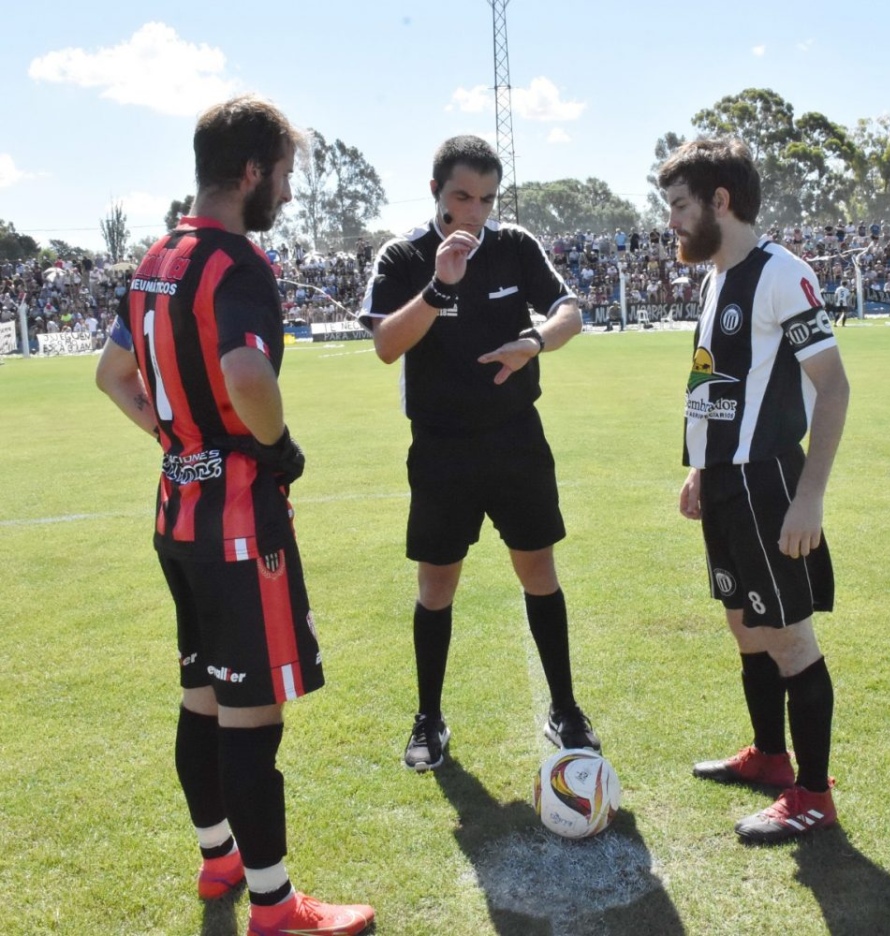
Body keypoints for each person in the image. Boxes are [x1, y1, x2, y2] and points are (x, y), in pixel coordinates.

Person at [95, 94, 374, 936]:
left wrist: (179, 440)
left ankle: (218, 857)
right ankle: (276, 905)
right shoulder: (236, 263)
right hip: (240, 523)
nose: (286, 193)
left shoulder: (153, 258)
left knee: (201, 698)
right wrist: (277, 446)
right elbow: (247, 372)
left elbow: (112, 376)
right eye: (284, 175)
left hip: (176, 513)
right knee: (253, 715)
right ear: (251, 172)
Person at [358, 134, 600, 772]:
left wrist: (536, 342)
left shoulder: (516, 246)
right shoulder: (404, 255)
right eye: (462, 196)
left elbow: (570, 312)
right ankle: (428, 718)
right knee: (436, 585)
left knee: (539, 574)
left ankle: (566, 708)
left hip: (516, 439)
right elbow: (386, 345)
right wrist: (440, 287)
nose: (474, 211)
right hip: (440, 448)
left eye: (487, 198)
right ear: (435, 189)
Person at [658, 138, 850, 844]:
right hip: (726, 482)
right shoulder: (713, 278)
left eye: (680, 206)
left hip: (771, 482)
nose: (672, 221)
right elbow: (715, 383)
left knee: (789, 637)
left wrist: (811, 498)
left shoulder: (781, 274)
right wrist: (700, 469)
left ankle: (814, 794)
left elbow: (834, 388)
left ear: (720, 201)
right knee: (745, 624)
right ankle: (771, 758)